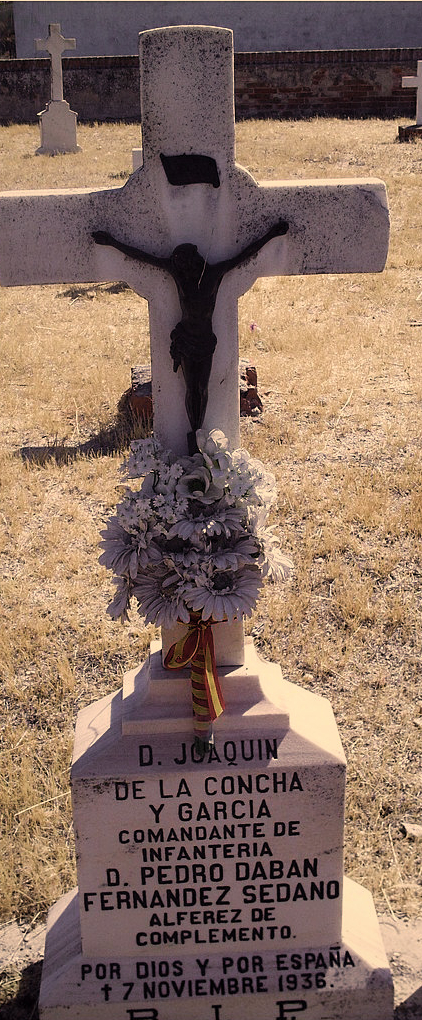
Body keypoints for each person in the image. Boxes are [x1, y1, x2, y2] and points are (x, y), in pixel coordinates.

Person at [92, 220, 288, 451]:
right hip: (185, 339)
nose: (182, 267)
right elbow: (142, 257)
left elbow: (245, 254)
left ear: (194, 260)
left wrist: (272, 235)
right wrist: (112, 243)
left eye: (185, 263)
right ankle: (193, 435)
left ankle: (200, 431)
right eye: (179, 264)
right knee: (190, 388)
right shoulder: (178, 273)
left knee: (202, 388)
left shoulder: (214, 273)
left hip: (205, 341)